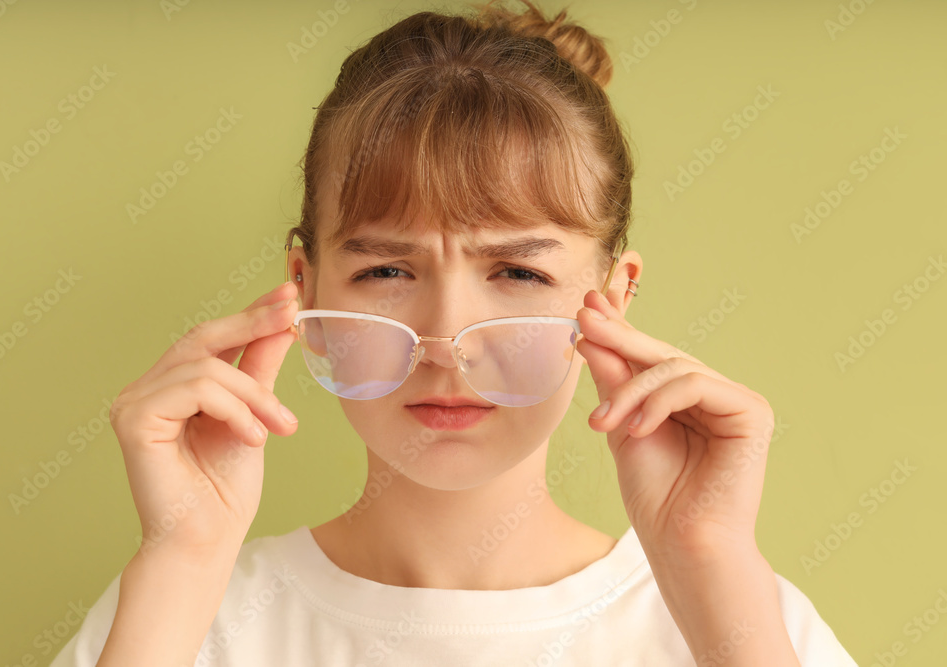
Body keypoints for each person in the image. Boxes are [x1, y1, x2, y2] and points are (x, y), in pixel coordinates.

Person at [51, 1, 858, 665]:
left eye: (518, 273)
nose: (446, 341)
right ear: (304, 293)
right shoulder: (181, 616)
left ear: (614, 297)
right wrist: (183, 558)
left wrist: (711, 566)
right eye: (387, 272)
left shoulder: (743, 617)